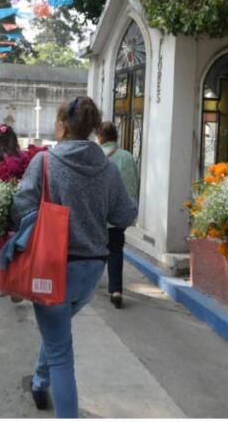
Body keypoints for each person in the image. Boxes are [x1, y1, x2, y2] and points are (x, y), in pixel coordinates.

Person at [11, 96, 137, 417]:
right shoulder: (108, 169)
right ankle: (39, 383)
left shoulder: (45, 162)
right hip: (92, 271)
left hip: (52, 267)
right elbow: (124, 215)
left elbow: (20, 208)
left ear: (63, 127)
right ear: (94, 128)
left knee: (60, 353)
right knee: (58, 334)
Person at [0, 124, 46, 300]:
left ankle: (1, 284)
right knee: (20, 244)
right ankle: (18, 283)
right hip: (22, 209)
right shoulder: (21, 158)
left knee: (0, 243)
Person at [96, 122, 139, 309]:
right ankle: (116, 289)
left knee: (96, 250)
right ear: (116, 137)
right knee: (115, 249)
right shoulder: (127, 157)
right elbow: (133, 185)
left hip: (98, 213)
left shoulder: (96, 156)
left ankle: (89, 284)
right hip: (118, 214)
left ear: (100, 137)